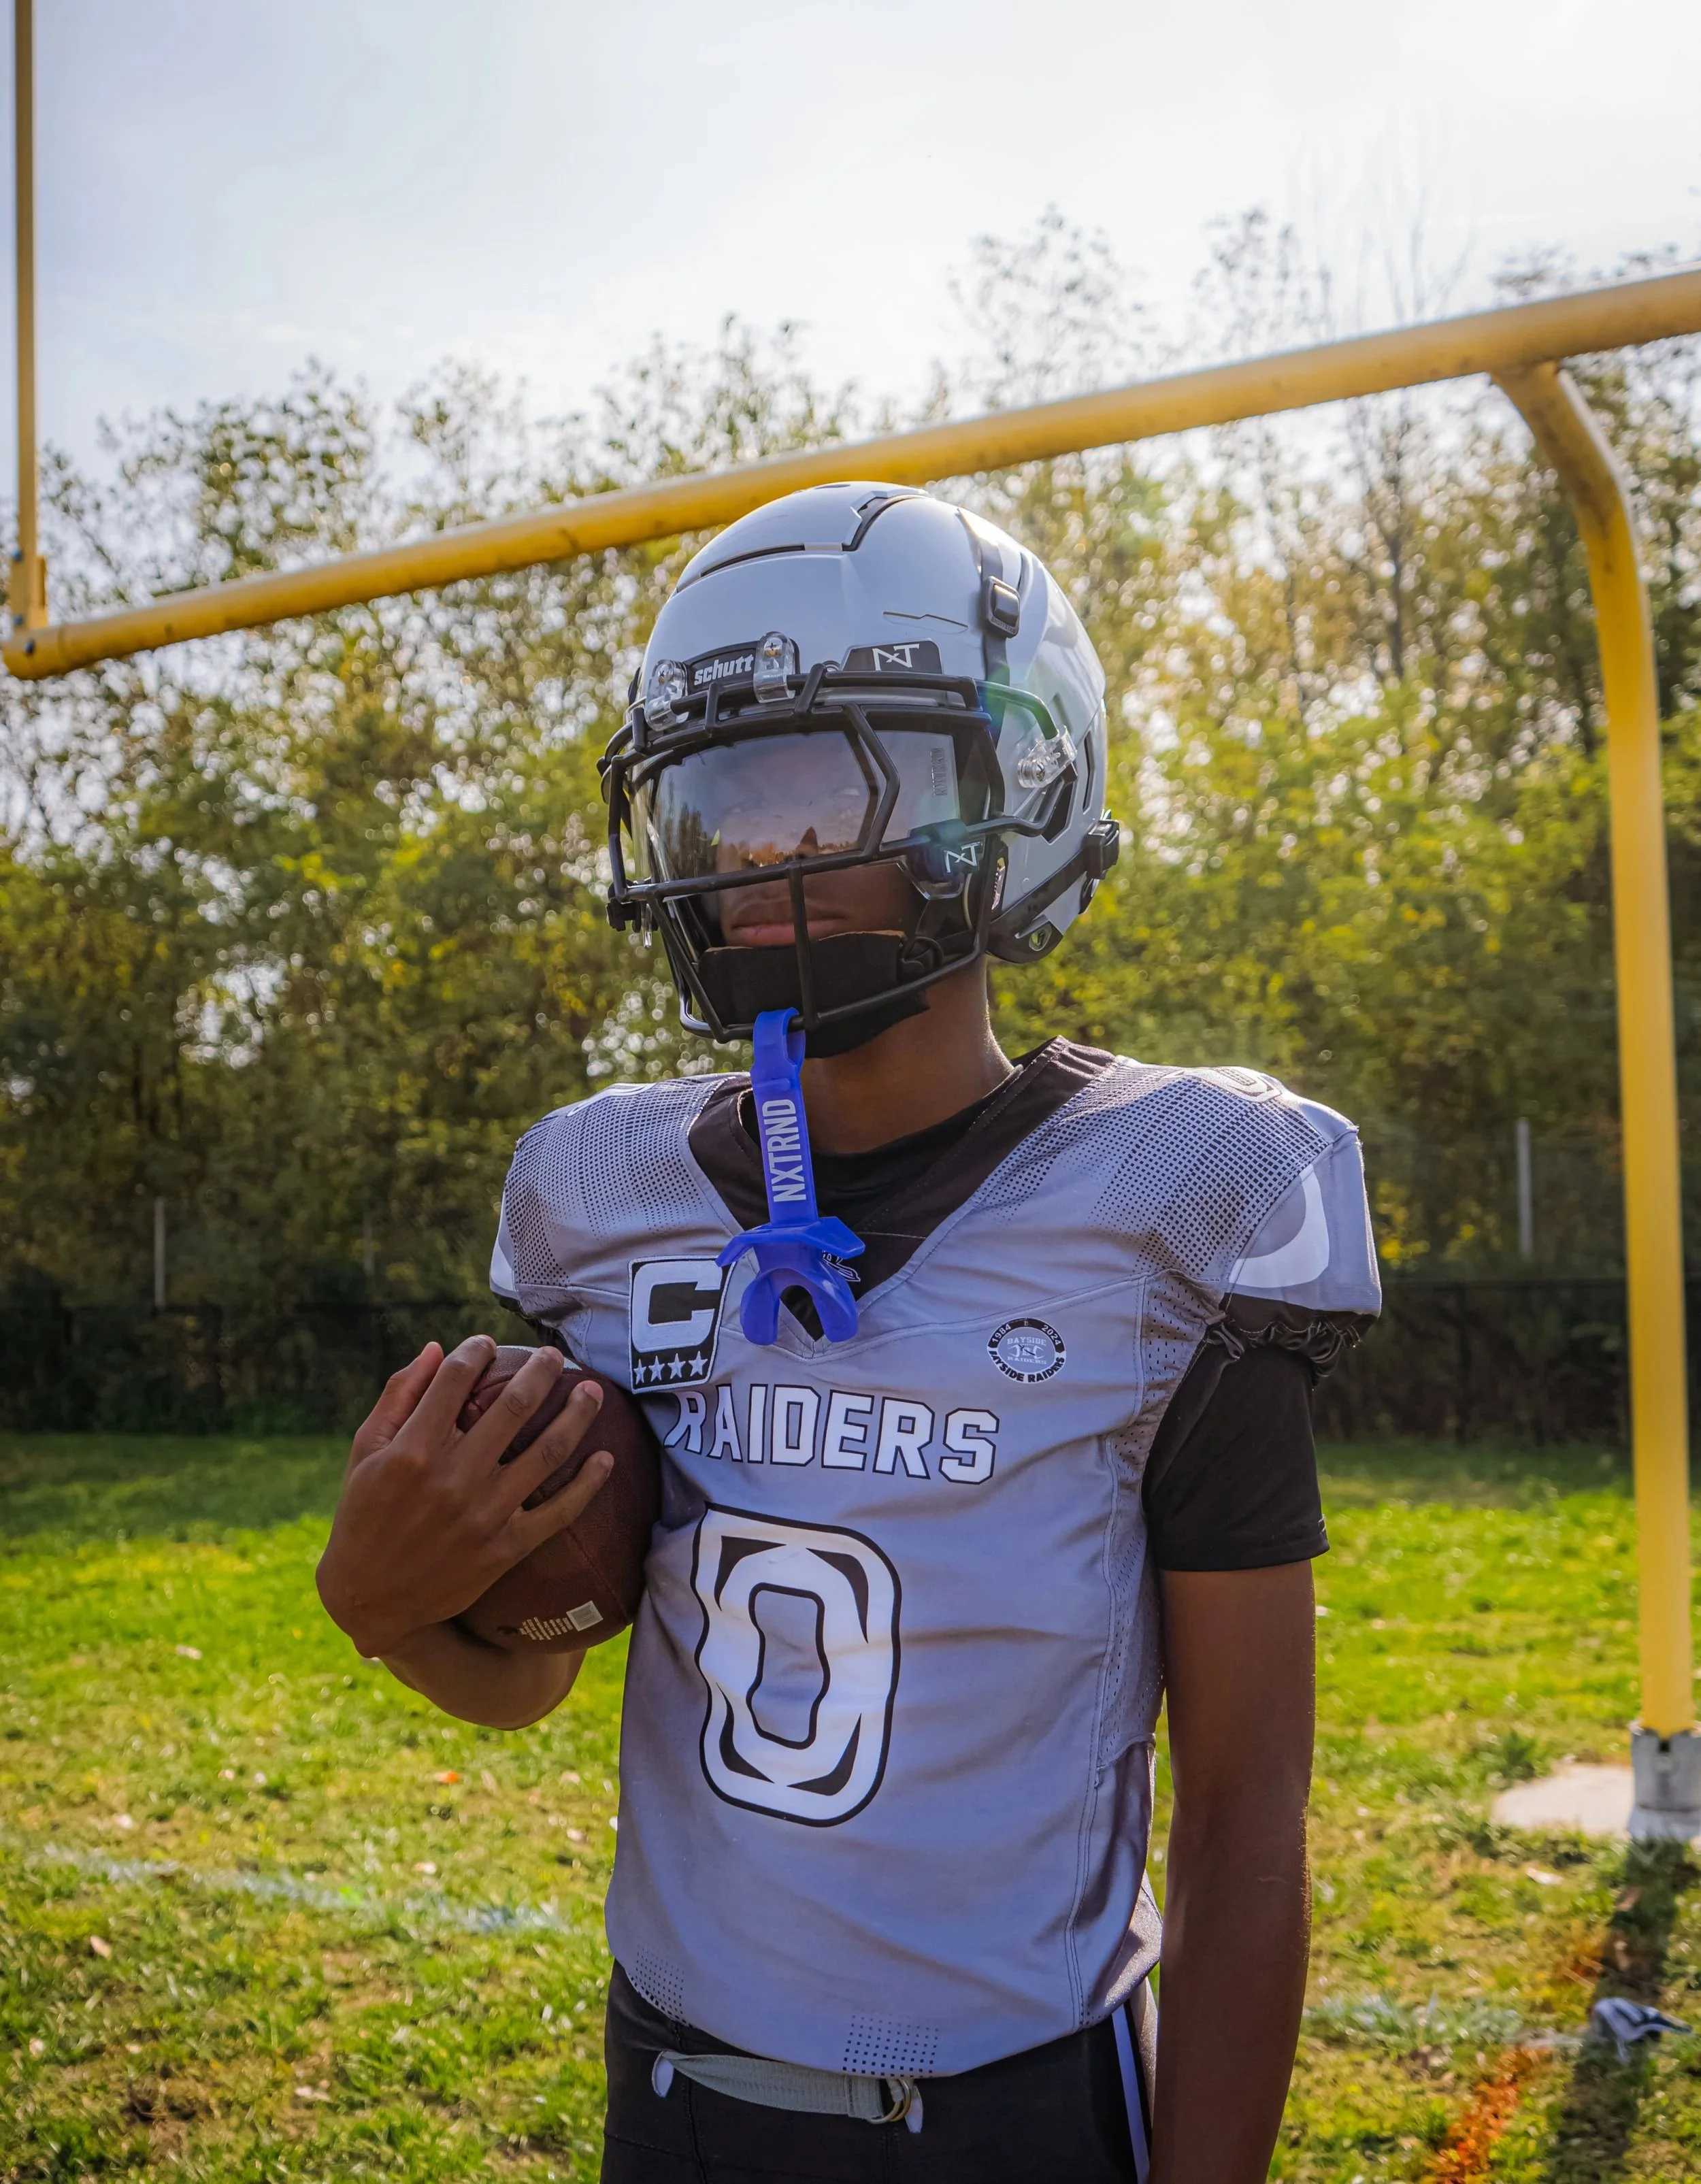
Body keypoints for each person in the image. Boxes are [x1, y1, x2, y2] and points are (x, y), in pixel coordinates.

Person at [317, 483, 1381, 2184]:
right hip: (673, 2093)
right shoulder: (603, 1196)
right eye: (718, 796)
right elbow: (534, 1670)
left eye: (823, 785)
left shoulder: (1177, 1199)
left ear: (1013, 791)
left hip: (1013, 2108)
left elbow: (1246, 1818)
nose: (755, 855)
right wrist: (382, 1613)